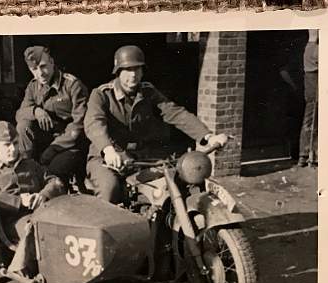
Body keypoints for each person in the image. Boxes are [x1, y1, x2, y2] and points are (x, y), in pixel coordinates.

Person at [84, 45, 228, 204]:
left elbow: (175, 113)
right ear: (117, 72)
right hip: (106, 160)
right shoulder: (101, 94)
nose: (133, 75)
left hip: (140, 158)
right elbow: (94, 123)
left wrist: (207, 136)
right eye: (127, 69)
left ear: (142, 71)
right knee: (109, 190)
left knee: (174, 183)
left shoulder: (148, 92)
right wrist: (108, 149)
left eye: (137, 69)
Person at [0, 120, 66, 283]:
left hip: (42, 211)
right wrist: (18, 201)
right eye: (6, 145)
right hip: (11, 221)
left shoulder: (31, 165)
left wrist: (43, 194)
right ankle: (20, 268)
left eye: (15, 143)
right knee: (34, 227)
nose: (12, 149)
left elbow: (55, 181)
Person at [15, 46, 89, 186]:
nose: (40, 74)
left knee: (53, 173)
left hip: (69, 144)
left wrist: (54, 148)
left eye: (43, 66)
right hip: (46, 143)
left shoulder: (72, 85)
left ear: (52, 62)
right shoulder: (33, 87)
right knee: (24, 125)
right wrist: (36, 111)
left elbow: (80, 124)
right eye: (34, 70)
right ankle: (27, 167)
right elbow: (20, 114)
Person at [298, 30, 318, 167]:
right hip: (314, 94)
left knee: (310, 121)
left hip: (312, 94)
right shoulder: (314, 49)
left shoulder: (310, 48)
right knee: (312, 121)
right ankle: (307, 155)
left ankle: (305, 155)